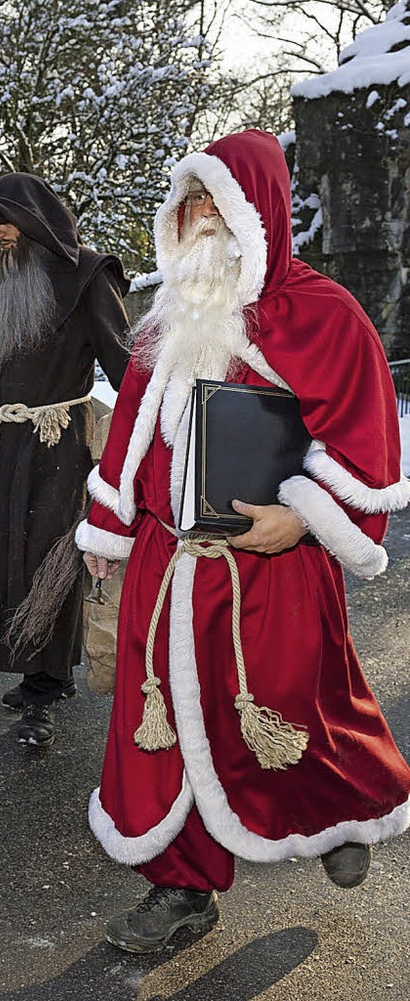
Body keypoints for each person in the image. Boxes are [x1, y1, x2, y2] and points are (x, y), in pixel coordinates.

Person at [76, 129, 410, 953]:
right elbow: (131, 437)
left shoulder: (324, 316)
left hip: (273, 571)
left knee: (297, 716)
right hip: (165, 569)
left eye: (212, 205)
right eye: (183, 207)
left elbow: (365, 447)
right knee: (161, 729)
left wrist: (300, 515)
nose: (194, 223)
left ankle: (342, 815)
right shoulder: (164, 325)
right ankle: (181, 889)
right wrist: (109, 530)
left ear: (252, 215)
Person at [0, 173, 130, 748]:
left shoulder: (86, 280)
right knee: (11, 558)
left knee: (51, 558)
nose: (4, 244)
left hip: (61, 441)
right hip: (8, 446)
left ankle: (46, 688)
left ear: (39, 229)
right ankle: (36, 670)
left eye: (13, 235)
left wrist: (145, 433)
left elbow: (127, 365)